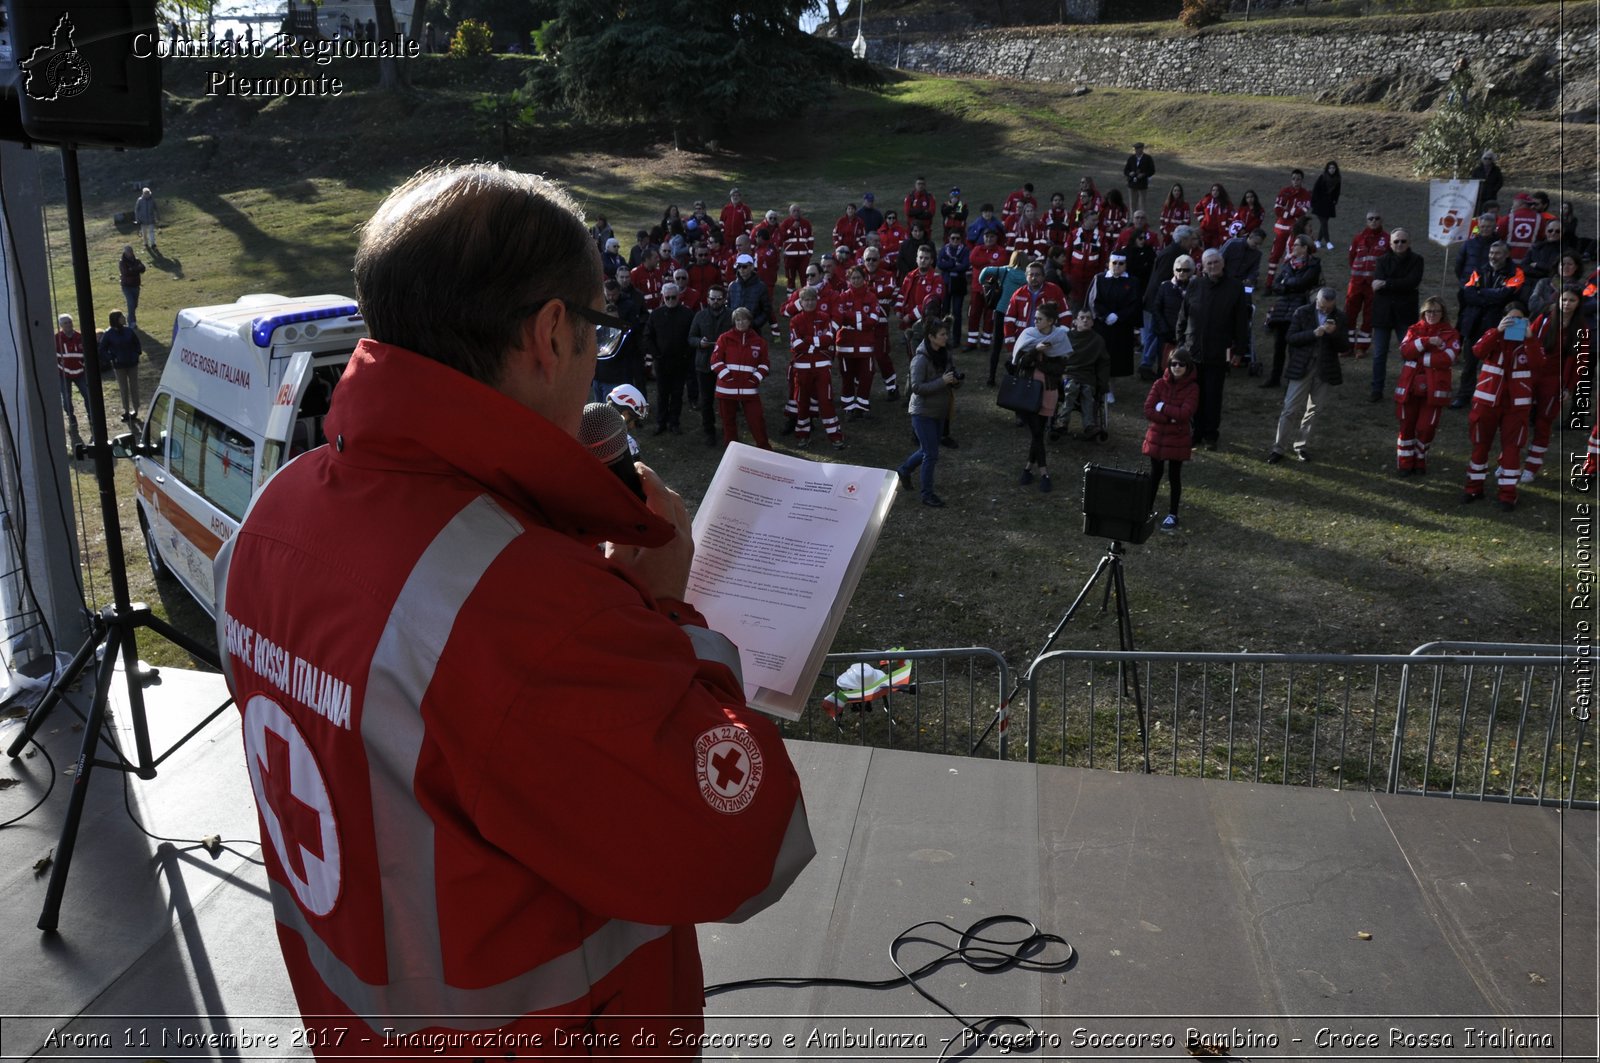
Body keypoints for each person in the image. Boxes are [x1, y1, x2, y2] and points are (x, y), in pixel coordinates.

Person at [212, 165, 811, 1055]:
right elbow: (750, 841)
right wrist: (662, 615)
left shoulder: (271, 519)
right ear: (551, 332)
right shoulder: (516, 606)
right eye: (595, 330)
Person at [1462, 303, 1546, 509]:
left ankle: (1507, 495)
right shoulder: (1493, 336)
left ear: (1526, 321)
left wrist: (1529, 338)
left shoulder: (1531, 342)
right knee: (1480, 446)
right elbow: (1477, 351)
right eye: (1510, 319)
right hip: (1487, 401)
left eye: (1519, 319)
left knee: (1512, 449)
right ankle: (1473, 488)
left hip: (1516, 406)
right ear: (1502, 319)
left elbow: (1539, 364)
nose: (1513, 324)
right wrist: (1497, 331)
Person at [1176, 248, 1251, 450]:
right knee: (1193, 394)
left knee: (1213, 396)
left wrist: (1239, 350)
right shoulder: (1195, 285)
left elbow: (1241, 323)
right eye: (1208, 263)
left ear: (1223, 263)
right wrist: (1180, 344)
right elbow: (1183, 317)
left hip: (1219, 352)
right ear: (1203, 266)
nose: (1212, 266)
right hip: (1193, 352)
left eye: (1216, 262)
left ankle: (1210, 435)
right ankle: (1195, 432)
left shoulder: (1235, 288)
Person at [1266, 287, 1348, 465]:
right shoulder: (1302, 312)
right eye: (1323, 306)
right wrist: (1313, 334)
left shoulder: (1340, 317)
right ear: (1316, 300)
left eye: (1329, 307)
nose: (1326, 310)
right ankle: (1278, 448)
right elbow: (1291, 338)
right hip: (1301, 367)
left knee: (1314, 411)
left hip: (1324, 370)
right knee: (1290, 408)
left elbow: (1344, 346)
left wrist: (1333, 334)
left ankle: (1301, 446)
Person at [1453, 241, 1526, 407]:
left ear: (1507, 254)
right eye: (1491, 253)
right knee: (1469, 363)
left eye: (1498, 253)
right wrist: (1489, 297)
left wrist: (1481, 293)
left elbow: (1506, 295)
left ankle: (1501, 397)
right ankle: (1463, 396)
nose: (1493, 256)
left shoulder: (1517, 272)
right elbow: (1467, 294)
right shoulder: (1479, 269)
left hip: (1504, 324)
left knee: (1503, 363)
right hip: (1475, 322)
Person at [1393, 297, 1460, 475]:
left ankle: (1420, 459)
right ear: (1423, 313)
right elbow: (1405, 352)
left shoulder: (1450, 333)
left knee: (1426, 427)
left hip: (1435, 388)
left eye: (1436, 311)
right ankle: (1405, 463)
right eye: (1428, 311)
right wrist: (1426, 342)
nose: (1432, 315)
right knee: (1406, 425)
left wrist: (1421, 357)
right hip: (1410, 386)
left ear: (1442, 313)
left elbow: (1448, 358)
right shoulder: (1414, 330)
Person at [1011, 300, 1073, 493]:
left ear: (1051, 321)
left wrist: (1040, 363)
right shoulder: (1028, 335)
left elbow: (1059, 369)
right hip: (1028, 392)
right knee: (1037, 432)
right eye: (1035, 318)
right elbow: (1020, 363)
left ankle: (1028, 468)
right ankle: (1044, 473)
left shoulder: (1060, 338)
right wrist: (1034, 351)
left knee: (1038, 432)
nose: (1035, 322)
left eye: (1040, 319)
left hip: (1048, 391)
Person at [897, 317, 959, 508]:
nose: (946, 337)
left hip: (939, 411)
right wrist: (942, 381)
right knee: (931, 454)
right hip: (922, 413)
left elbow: (951, 375)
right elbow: (916, 387)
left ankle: (904, 470)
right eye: (942, 335)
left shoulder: (944, 354)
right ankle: (927, 494)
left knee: (926, 450)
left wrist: (955, 380)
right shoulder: (920, 359)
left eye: (946, 334)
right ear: (931, 337)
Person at [1526, 287, 1587, 481]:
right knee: (1518, 418)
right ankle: (1508, 463)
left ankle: (1531, 467)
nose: (1567, 304)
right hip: (1532, 375)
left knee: (1544, 422)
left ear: (1578, 304)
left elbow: (1580, 362)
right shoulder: (1545, 320)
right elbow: (1528, 339)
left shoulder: (1581, 329)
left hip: (1554, 381)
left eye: (1572, 300)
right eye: (1564, 300)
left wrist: (1569, 387)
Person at [1367, 227, 1425, 402]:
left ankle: (1409, 387)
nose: (1399, 244)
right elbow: (1378, 285)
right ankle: (1376, 389)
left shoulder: (1417, 260)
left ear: (1409, 243)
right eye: (1396, 241)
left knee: (1408, 353)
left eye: (1403, 241)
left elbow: (1412, 282)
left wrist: (1386, 283)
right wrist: (1396, 284)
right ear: (1390, 244)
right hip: (1383, 314)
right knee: (1379, 354)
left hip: (1405, 314)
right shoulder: (1382, 260)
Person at [1143, 348, 1198, 532]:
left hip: (1178, 439)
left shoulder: (1192, 388)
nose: (1177, 367)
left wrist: (1162, 406)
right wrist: (1170, 417)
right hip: (1157, 437)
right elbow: (1148, 409)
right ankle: (1146, 509)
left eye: (1181, 364)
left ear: (1187, 366)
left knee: (1175, 476)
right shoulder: (1159, 384)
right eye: (1174, 363)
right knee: (1155, 474)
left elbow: (1185, 413)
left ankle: (1173, 513)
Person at [785, 286, 843, 449]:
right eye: (806, 300)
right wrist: (817, 344)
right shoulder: (795, 320)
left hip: (822, 367)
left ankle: (835, 436)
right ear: (801, 302)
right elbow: (796, 345)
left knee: (826, 401)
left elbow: (829, 339)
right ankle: (803, 435)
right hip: (802, 368)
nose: (809, 303)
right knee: (801, 402)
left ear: (817, 301)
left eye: (812, 300)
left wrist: (808, 341)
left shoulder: (824, 317)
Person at [1261, 235, 1322, 388]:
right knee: (1279, 345)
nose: (1293, 247)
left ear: (1305, 248)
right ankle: (1275, 378)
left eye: (1296, 245)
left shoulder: (1314, 265)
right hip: (1283, 308)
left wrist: (1285, 284)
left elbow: (1302, 283)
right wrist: (1287, 285)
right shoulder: (1288, 264)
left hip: (1300, 307)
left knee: (1294, 346)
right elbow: (1276, 284)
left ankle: (1292, 379)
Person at [1140, 225, 1199, 379]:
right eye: (1191, 239)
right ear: (1184, 239)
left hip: (1157, 298)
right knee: (1155, 333)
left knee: (1154, 333)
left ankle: (1147, 364)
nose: (1193, 242)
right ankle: (1146, 364)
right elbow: (1161, 278)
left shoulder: (1170, 251)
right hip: (1158, 300)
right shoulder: (1174, 254)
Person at [711, 306, 772, 449]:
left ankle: (764, 449)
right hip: (726, 390)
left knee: (756, 420)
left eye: (744, 319)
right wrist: (728, 377)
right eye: (737, 320)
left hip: (749, 390)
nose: (740, 323)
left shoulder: (759, 342)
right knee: (728, 422)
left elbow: (765, 364)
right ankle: (732, 451)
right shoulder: (724, 338)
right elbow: (715, 360)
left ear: (750, 321)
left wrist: (755, 379)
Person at [644, 282, 695, 434]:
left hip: (681, 361)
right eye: (668, 297)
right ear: (663, 297)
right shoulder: (656, 315)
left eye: (674, 297)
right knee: (662, 394)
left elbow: (692, 336)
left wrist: (687, 354)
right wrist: (656, 354)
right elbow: (647, 336)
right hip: (662, 361)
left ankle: (674, 422)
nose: (671, 300)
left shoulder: (687, 314)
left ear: (679, 296)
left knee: (677, 393)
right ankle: (661, 422)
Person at [1057, 306, 1110, 442]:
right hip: (1068, 374)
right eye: (1082, 318)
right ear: (1075, 321)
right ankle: (1062, 422)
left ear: (1092, 322)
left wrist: (1102, 384)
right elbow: (1059, 359)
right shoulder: (1067, 337)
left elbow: (1104, 364)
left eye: (1088, 318)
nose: (1085, 321)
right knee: (1071, 387)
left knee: (1086, 391)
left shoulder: (1098, 340)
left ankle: (1089, 426)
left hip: (1088, 376)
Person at [979, 250, 1031, 386]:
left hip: (1001, 310)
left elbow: (985, 271)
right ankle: (1014, 375)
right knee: (1017, 346)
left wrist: (983, 282)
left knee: (996, 346)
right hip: (1017, 314)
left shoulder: (1004, 271)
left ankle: (991, 377)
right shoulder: (1027, 277)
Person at [1343, 208, 1390, 359]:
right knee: (1349, 314)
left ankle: (1361, 347)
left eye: (1376, 218)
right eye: (1370, 219)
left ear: (1381, 220)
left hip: (1374, 286)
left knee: (1369, 318)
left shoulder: (1388, 239)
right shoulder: (1358, 238)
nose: (1373, 221)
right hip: (1356, 284)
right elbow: (1351, 258)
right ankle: (1347, 346)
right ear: (1366, 221)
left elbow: (1389, 262)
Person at [688, 284, 731, 445]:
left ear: (724, 300)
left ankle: (728, 431)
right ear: (707, 299)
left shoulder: (731, 316)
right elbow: (690, 338)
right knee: (706, 401)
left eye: (719, 299)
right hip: (704, 365)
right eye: (712, 299)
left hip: (725, 365)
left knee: (726, 400)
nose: (715, 302)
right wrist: (700, 342)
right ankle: (709, 432)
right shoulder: (699, 316)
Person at [1088, 251, 1141, 380]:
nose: (1117, 266)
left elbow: (1135, 304)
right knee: (1100, 354)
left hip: (1122, 326)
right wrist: (1105, 316)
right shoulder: (1099, 279)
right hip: (1102, 326)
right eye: (1114, 263)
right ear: (1109, 264)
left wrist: (1119, 316)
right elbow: (1094, 301)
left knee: (1117, 358)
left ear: (1126, 265)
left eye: (1121, 263)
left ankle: (1111, 385)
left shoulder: (1132, 281)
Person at [99, 310, 142, 422]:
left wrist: (136, 354)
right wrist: (112, 358)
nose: (124, 318)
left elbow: (137, 344)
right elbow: (102, 349)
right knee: (123, 388)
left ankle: (136, 409)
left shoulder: (129, 331)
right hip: (119, 366)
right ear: (115, 320)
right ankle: (126, 411)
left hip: (132, 363)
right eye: (121, 317)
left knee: (134, 387)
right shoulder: (108, 334)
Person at [1269, 169, 1312, 276]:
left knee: (1292, 255)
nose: (1296, 181)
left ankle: (1287, 280)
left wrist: (1287, 211)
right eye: (1293, 179)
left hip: (1295, 231)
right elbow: (1277, 210)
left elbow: (1303, 211)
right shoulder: (1284, 192)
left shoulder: (1306, 194)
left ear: (1302, 180)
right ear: (1291, 180)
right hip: (1281, 230)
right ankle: (1269, 283)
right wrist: (1292, 213)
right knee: (1275, 255)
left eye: (1298, 179)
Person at [55, 313, 88, 437]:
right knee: (66, 398)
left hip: (80, 372)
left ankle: (91, 416)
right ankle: (72, 418)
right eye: (65, 323)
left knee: (88, 395)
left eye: (70, 322)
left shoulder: (80, 337)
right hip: (63, 374)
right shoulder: (56, 339)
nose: (68, 325)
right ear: (61, 325)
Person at [937, 228, 971, 343]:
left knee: (957, 312)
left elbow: (965, 265)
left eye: (958, 238)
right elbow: (940, 264)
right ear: (949, 239)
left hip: (959, 284)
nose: (955, 240)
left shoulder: (965, 250)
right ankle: (943, 336)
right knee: (945, 311)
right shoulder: (944, 249)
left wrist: (949, 266)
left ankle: (956, 339)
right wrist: (953, 264)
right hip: (946, 283)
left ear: (961, 240)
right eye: (953, 238)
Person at [1310, 162, 1341, 251]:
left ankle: (1318, 241)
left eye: (1333, 168)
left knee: (1324, 223)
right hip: (1319, 203)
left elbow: (1337, 192)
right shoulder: (1322, 177)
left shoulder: (1337, 179)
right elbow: (1315, 189)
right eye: (1330, 168)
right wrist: (1313, 202)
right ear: (1327, 169)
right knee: (1324, 223)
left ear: (1336, 169)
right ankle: (1328, 242)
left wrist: (1335, 200)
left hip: (1329, 204)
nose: (1332, 170)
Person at [1194, 183, 1233, 251]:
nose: (1215, 192)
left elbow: (1232, 216)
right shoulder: (1206, 200)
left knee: (1216, 250)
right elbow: (1197, 210)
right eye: (1213, 190)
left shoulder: (1227, 203)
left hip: (1219, 232)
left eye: (1217, 190)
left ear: (1221, 192)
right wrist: (1203, 220)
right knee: (1205, 250)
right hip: (1206, 231)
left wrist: (1227, 226)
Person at [117, 245, 145, 329]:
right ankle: (132, 323)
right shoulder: (122, 262)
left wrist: (133, 269)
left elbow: (143, 269)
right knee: (131, 303)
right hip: (126, 286)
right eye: (128, 252)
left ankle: (129, 317)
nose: (130, 253)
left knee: (134, 305)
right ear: (125, 253)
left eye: (131, 251)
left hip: (136, 285)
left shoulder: (137, 260)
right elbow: (126, 273)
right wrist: (136, 269)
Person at [1123, 142, 1156, 214]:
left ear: (1142, 149)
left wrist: (1144, 174)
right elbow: (1125, 170)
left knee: (1142, 203)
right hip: (1132, 183)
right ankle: (1132, 219)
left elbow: (1152, 170)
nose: (1136, 150)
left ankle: (1142, 218)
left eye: (1138, 148)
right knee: (1132, 203)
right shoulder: (1131, 158)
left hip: (1142, 183)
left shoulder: (1147, 158)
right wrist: (1129, 173)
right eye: (1135, 149)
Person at [1469, 150, 1503, 217]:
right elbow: (1472, 182)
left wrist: (1494, 190)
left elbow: (1500, 182)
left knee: (1490, 213)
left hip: (1491, 196)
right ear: (1482, 159)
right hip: (1479, 196)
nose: (1487, 160)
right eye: (1485, 158)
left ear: (1492, 160)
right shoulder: (1477, 170)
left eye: (1489, 158)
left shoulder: (1496, 170)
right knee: (1477, 214)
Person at [134, 187, 160, 253]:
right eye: (145, 193)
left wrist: (157, 216)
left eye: (148, 193)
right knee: (144, 233)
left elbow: (156, 208)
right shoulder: (140, 200)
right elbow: (136, 210)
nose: (147, 194)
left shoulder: (152, 200)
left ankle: (153, 244)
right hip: (142, 220)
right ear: (143, 194)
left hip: (151, 219)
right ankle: (146, 243)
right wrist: (137, 219)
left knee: (151, 232)